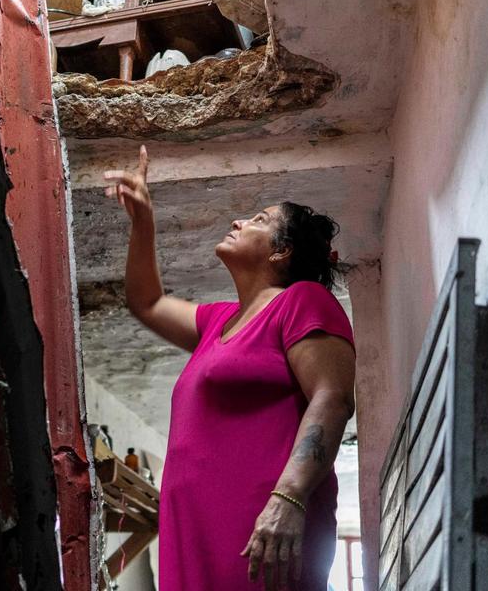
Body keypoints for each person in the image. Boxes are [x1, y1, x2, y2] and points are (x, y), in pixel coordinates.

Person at [104, 146, 356, 591]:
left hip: (263, 524)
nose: (238, 221)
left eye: (259, 219)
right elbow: (147, 302)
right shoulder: (216, 321)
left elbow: (331, 399)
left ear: (282, 252)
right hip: (195, 529)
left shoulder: (302, 301)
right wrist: (143, 222)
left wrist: (289, 498)